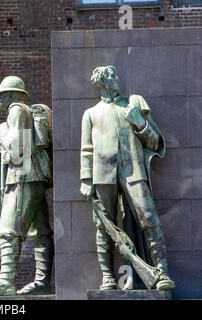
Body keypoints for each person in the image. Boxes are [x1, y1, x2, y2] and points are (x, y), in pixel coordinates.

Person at [80, 66, 175, 290]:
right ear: (101, 82)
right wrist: (85, 179)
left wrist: (139, 123)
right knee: (104, 226)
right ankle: (108, 277)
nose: (116, 79)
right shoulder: (91, 114)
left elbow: (154, 142)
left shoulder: (131, 105)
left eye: (116, 75)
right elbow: (87, 149)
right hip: (102, 174)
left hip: (133, 170)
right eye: (111, 76)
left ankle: (161, 272)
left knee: (149, 218)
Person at [0, 76, 54, 298]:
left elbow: (16, 147)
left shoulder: (16, 110)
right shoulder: (24, 111)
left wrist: (2, 135)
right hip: (34, 176)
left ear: (9, 95)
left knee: (8, 229)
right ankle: (41, 280)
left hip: (22, 176)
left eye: (1, 97)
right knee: (40, 231)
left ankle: (6, 281)